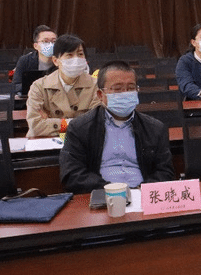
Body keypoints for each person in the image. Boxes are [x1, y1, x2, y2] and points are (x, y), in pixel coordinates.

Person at [59, 61, 175, 193]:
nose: (125, 93)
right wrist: (112, 191)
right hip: (101, 194)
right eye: (117, 89)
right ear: (100, 95)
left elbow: (165, 172)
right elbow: (72, 174)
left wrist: (142, 190)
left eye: (130, 88)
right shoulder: (79, 128)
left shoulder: (155, 128)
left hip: (143, 195)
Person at [26, 34, 100, 138]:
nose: (76, 59)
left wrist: (52, 122)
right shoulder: (39, 86)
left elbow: (97, 124)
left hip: (83, 142)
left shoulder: (95, 85)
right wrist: (76, 123)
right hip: (46, 142)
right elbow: (36, 126)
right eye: (69, 55)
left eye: (80, 54)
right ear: (56, 61)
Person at [12, 25, 57, 96]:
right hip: (31, 97)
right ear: (36, 46)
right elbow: (15, 86)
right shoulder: (25, 60)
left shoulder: (62, 60)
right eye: (45, 41)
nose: (51, 45)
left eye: (54, 41)